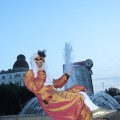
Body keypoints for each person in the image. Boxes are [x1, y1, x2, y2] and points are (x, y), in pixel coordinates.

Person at [24, 50, 116, 120]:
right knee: (78, 97)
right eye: (38, 59)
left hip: (56, 94)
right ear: (33, 61)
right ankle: (96, 111)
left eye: (42, 60)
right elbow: (36, 87)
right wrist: (40, 70)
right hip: (49, 99)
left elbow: (57, 84)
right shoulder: (30, 74)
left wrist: (67, 74)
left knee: (79, 89)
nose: (40, 61)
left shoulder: (45, 74)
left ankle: (95, 111)